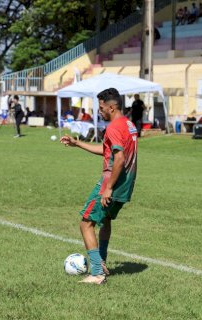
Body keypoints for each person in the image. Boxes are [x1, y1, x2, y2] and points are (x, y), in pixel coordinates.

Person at [60, 88, 138, 285]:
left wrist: (109, 187)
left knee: (86, 223)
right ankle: (101, 261)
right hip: (126, 184)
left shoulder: (113, 127)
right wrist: (77, 143)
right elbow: (108, 151)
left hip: (111, 182)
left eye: (101, 107)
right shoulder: (128, 124)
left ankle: (96, 272)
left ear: (111, 107)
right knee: (105, 220)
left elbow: (119, 159)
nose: (99, 111)